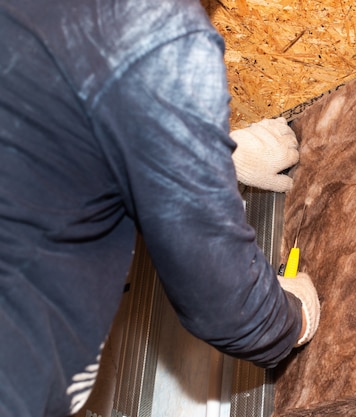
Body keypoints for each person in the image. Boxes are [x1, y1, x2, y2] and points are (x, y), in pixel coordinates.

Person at [0, 0, 320, 415]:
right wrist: (288, 321)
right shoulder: (149, 25)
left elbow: (42, 146)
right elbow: (226, 307)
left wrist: (203, 161)